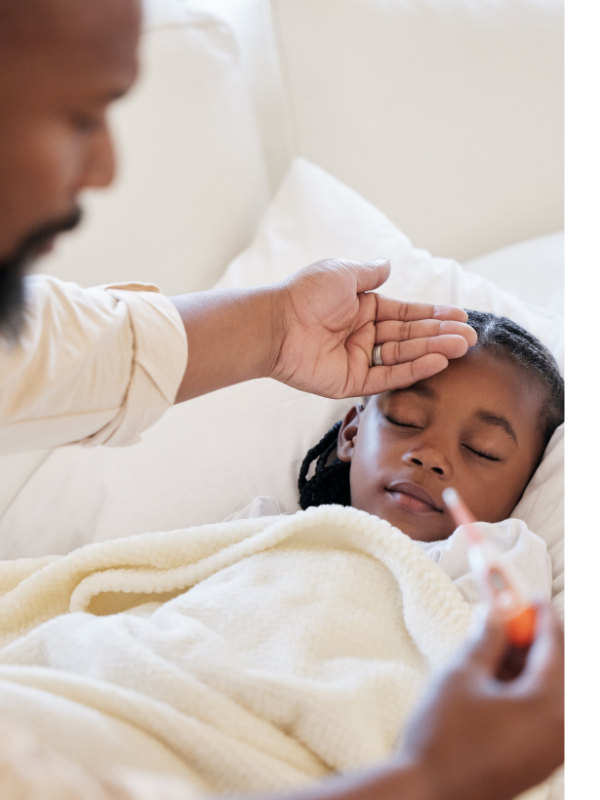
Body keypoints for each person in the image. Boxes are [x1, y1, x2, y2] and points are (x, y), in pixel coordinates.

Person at [0, 1, 565, 799]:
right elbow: (134, 626)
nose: (106, 171)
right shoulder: (267, 532)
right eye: (78, 114)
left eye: (483, 450)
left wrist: (271, 326)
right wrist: (434, 779)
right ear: (349, 431)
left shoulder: (494, 565)